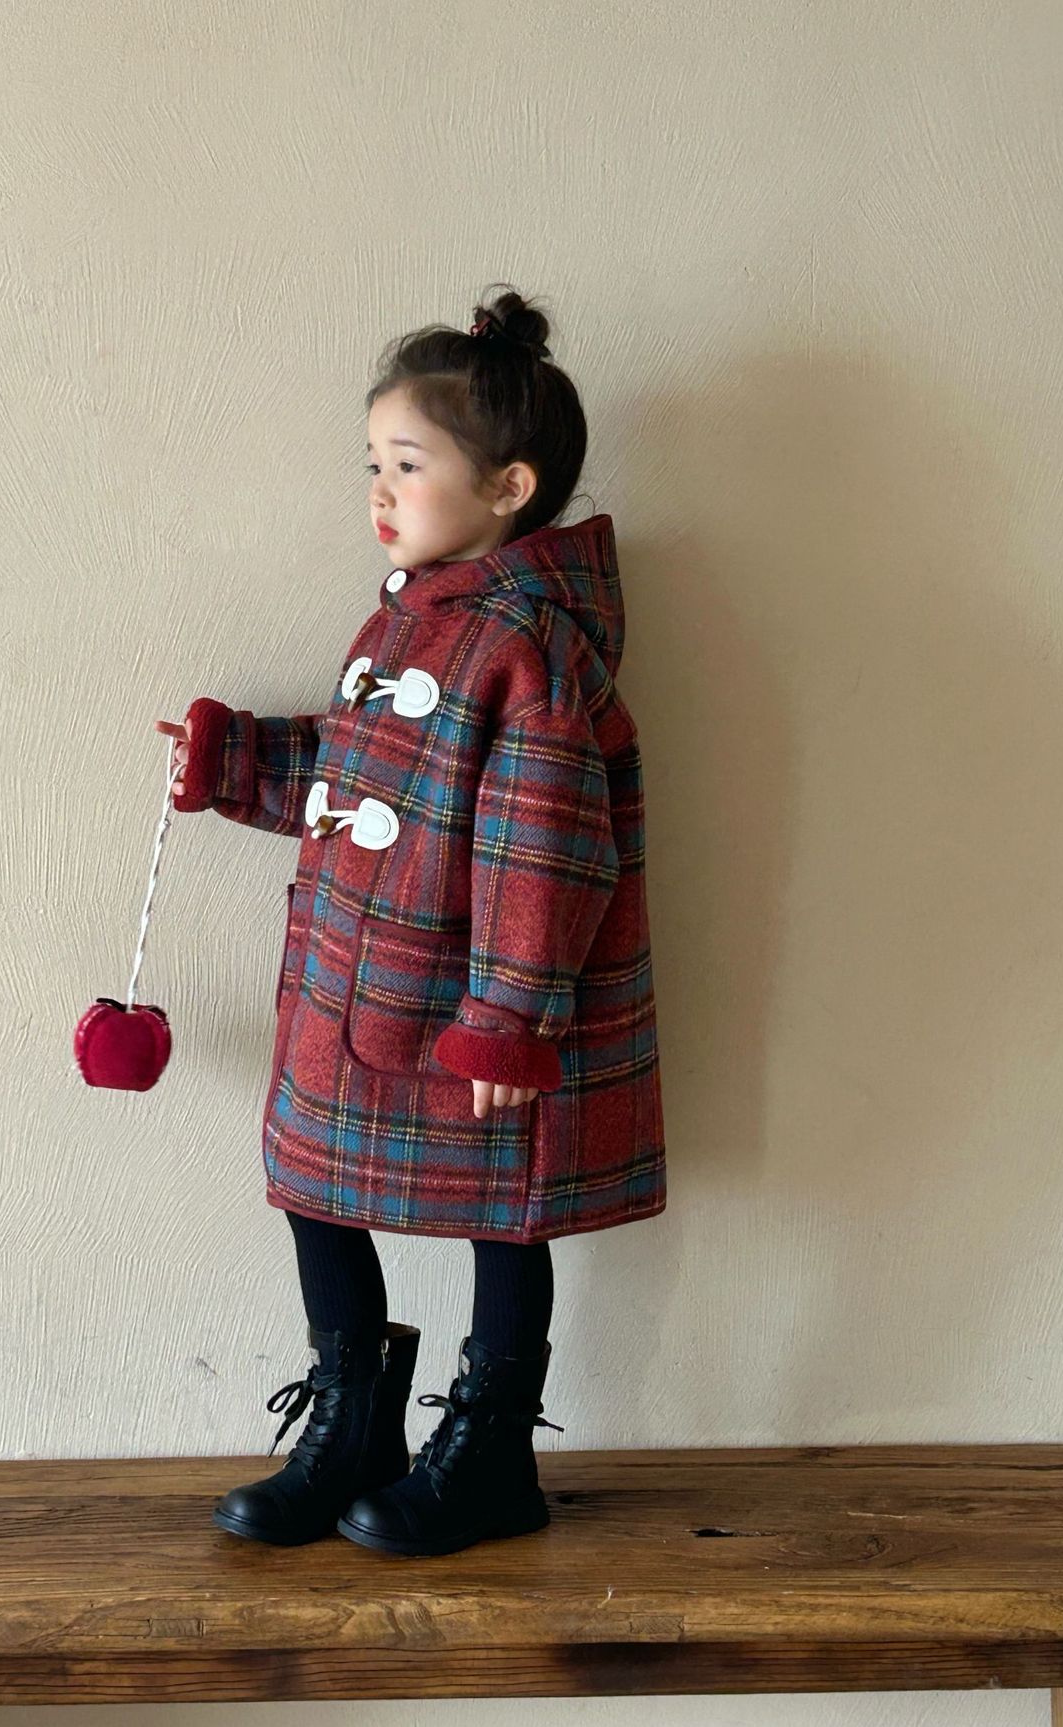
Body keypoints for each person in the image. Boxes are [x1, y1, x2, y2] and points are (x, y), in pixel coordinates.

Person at [155, 284, 666, 1557]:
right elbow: (369, 774)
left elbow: (546, 841)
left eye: (409, 463)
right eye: (373, 464)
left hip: (465, 1004)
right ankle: (353, 1424)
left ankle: (491, 1450)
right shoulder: (408, 615)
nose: (380, 489)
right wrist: (238, 762)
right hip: (359, 980)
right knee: (313, 1183)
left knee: (506, 1211)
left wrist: (511, 1014)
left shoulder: (529, 646)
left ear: (508, 487)